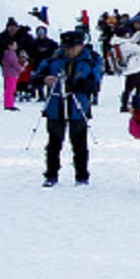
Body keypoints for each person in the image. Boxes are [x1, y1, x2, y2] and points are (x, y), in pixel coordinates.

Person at [32, 29, 102, 187]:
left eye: (72, 47)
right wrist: (44, 79)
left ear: (81, 45)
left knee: (79, 143)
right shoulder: (54, 59)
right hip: (55, 105)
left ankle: (82, 175)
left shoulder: (92, 60)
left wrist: (73, 84)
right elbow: (35, 77)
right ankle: (51, 174)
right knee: (54, 142)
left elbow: (95, 84)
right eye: (66, 47)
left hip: (79, 106)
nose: (69, 51)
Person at [111, 24, 140, 112]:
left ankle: (135, 104)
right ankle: (130, 105)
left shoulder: (120, 43)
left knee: (133, 87)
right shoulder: (125, 45)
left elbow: (132, 41)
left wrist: (139, 33)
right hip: (133, 68)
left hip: (132, 68)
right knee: (132, 88)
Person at [0, 38, 26, 112]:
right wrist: (21, 69)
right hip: (11, 73)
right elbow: (14, 63)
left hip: (9, 73)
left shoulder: (7, 53)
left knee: (9, 89)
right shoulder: (10, 53)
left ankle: (8, 103)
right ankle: (9, 104)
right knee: (10, 89)